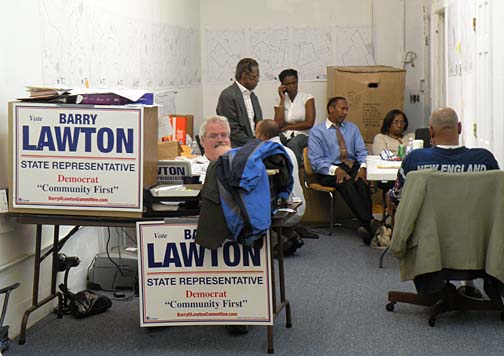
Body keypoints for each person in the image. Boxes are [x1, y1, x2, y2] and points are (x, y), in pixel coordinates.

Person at [389, 107, 500, 298]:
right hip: (478, 248)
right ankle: (472, 282)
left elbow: (398, 197)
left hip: (431, 251)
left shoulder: (415, 160)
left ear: (431, 131)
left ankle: (433, 285)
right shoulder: (485, 159)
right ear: (459, 128)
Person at [308, 97, 380, 242]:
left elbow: (362, 152)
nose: (346, 112)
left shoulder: (352, 128)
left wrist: (363, 168)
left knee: (361, 181)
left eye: (347, 109)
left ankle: (367, 226)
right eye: (343, 109)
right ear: (331, 109)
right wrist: (335, 170)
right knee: (346, 182)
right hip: (328, 170)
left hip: (351, 166)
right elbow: (316, 161)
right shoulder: (317, 132)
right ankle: (370, 223)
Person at [255, 119, 319, 249]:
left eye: (256, 133)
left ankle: (279, 241)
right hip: (299, 206)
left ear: (263, 136)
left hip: (285, 210)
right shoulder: (288, 150)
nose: (254, 137)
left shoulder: (267, 154)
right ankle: (288, 234)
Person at [216, 58, 263, 148]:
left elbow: (258, 121)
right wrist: (253, 144)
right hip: (237, 146)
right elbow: (232, 128)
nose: (257, 80)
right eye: (254, 76)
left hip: (253, 143)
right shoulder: (228, 95)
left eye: (258, 77)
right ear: (244, 75)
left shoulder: (252, 95)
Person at [273, 68, 315, 165]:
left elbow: (309, 123)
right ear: (282, 85)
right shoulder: (279, 100)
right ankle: (278, 171)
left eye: (294, 83)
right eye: (288, 84)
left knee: (293, 143)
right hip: (285, 134)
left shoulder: (307, 98)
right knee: (274, 141)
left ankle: (296, 172)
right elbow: (278, 124)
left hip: (304, 135)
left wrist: (287, 126)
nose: (292, 86)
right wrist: (282, 99)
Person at [191, 115, 231, 183]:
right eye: (213, 136)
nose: (220, 140)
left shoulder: (241, 165)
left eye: (224, 135)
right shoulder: (193, 169)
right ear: (202, 141)